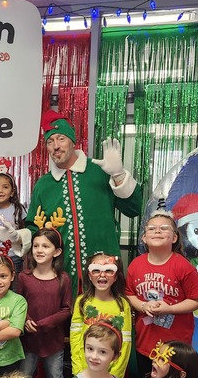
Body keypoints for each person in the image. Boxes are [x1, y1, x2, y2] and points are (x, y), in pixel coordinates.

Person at [22, 110, 142, 296]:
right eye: (50, 141)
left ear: (72, 141)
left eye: (61, 139)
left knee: (105, 321)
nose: (56, 146)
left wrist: (118, 175)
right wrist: (18, 236)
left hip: (104, 270)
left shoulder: (100, 170)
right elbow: (35, 228)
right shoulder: (43, 185)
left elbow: (133, 209)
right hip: (61, 276)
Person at [125, 211, 198, 378]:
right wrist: (143, 306)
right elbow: (130, 294)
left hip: (175, 345)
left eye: (164, 228)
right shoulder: (136, 264)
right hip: (145, 342)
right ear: (144, 238)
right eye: (152, 228)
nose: (157, 231)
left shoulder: (183, 266)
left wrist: (170, 308)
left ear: (174, 237)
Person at [16, 227, 72, 378]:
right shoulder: (24, 277)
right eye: (36, 246)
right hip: (28, 341)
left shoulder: (63, 279)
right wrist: (25, 319)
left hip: (53, 341)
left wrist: (45, 323)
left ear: (56, 252)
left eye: (45, 246)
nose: (39, 250)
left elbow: (66, 309)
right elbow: (17, 303)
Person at [69, 252, 132, 378]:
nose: (102, 275)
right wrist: (79, 369)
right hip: (84, 368)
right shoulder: (82, 302)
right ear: (89, 275)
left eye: (108, 271)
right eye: (96, 270)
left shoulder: (122, 305)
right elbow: (75, 338)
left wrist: (115, 375)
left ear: (115, 277)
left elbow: (125, 342)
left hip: (110, 373)